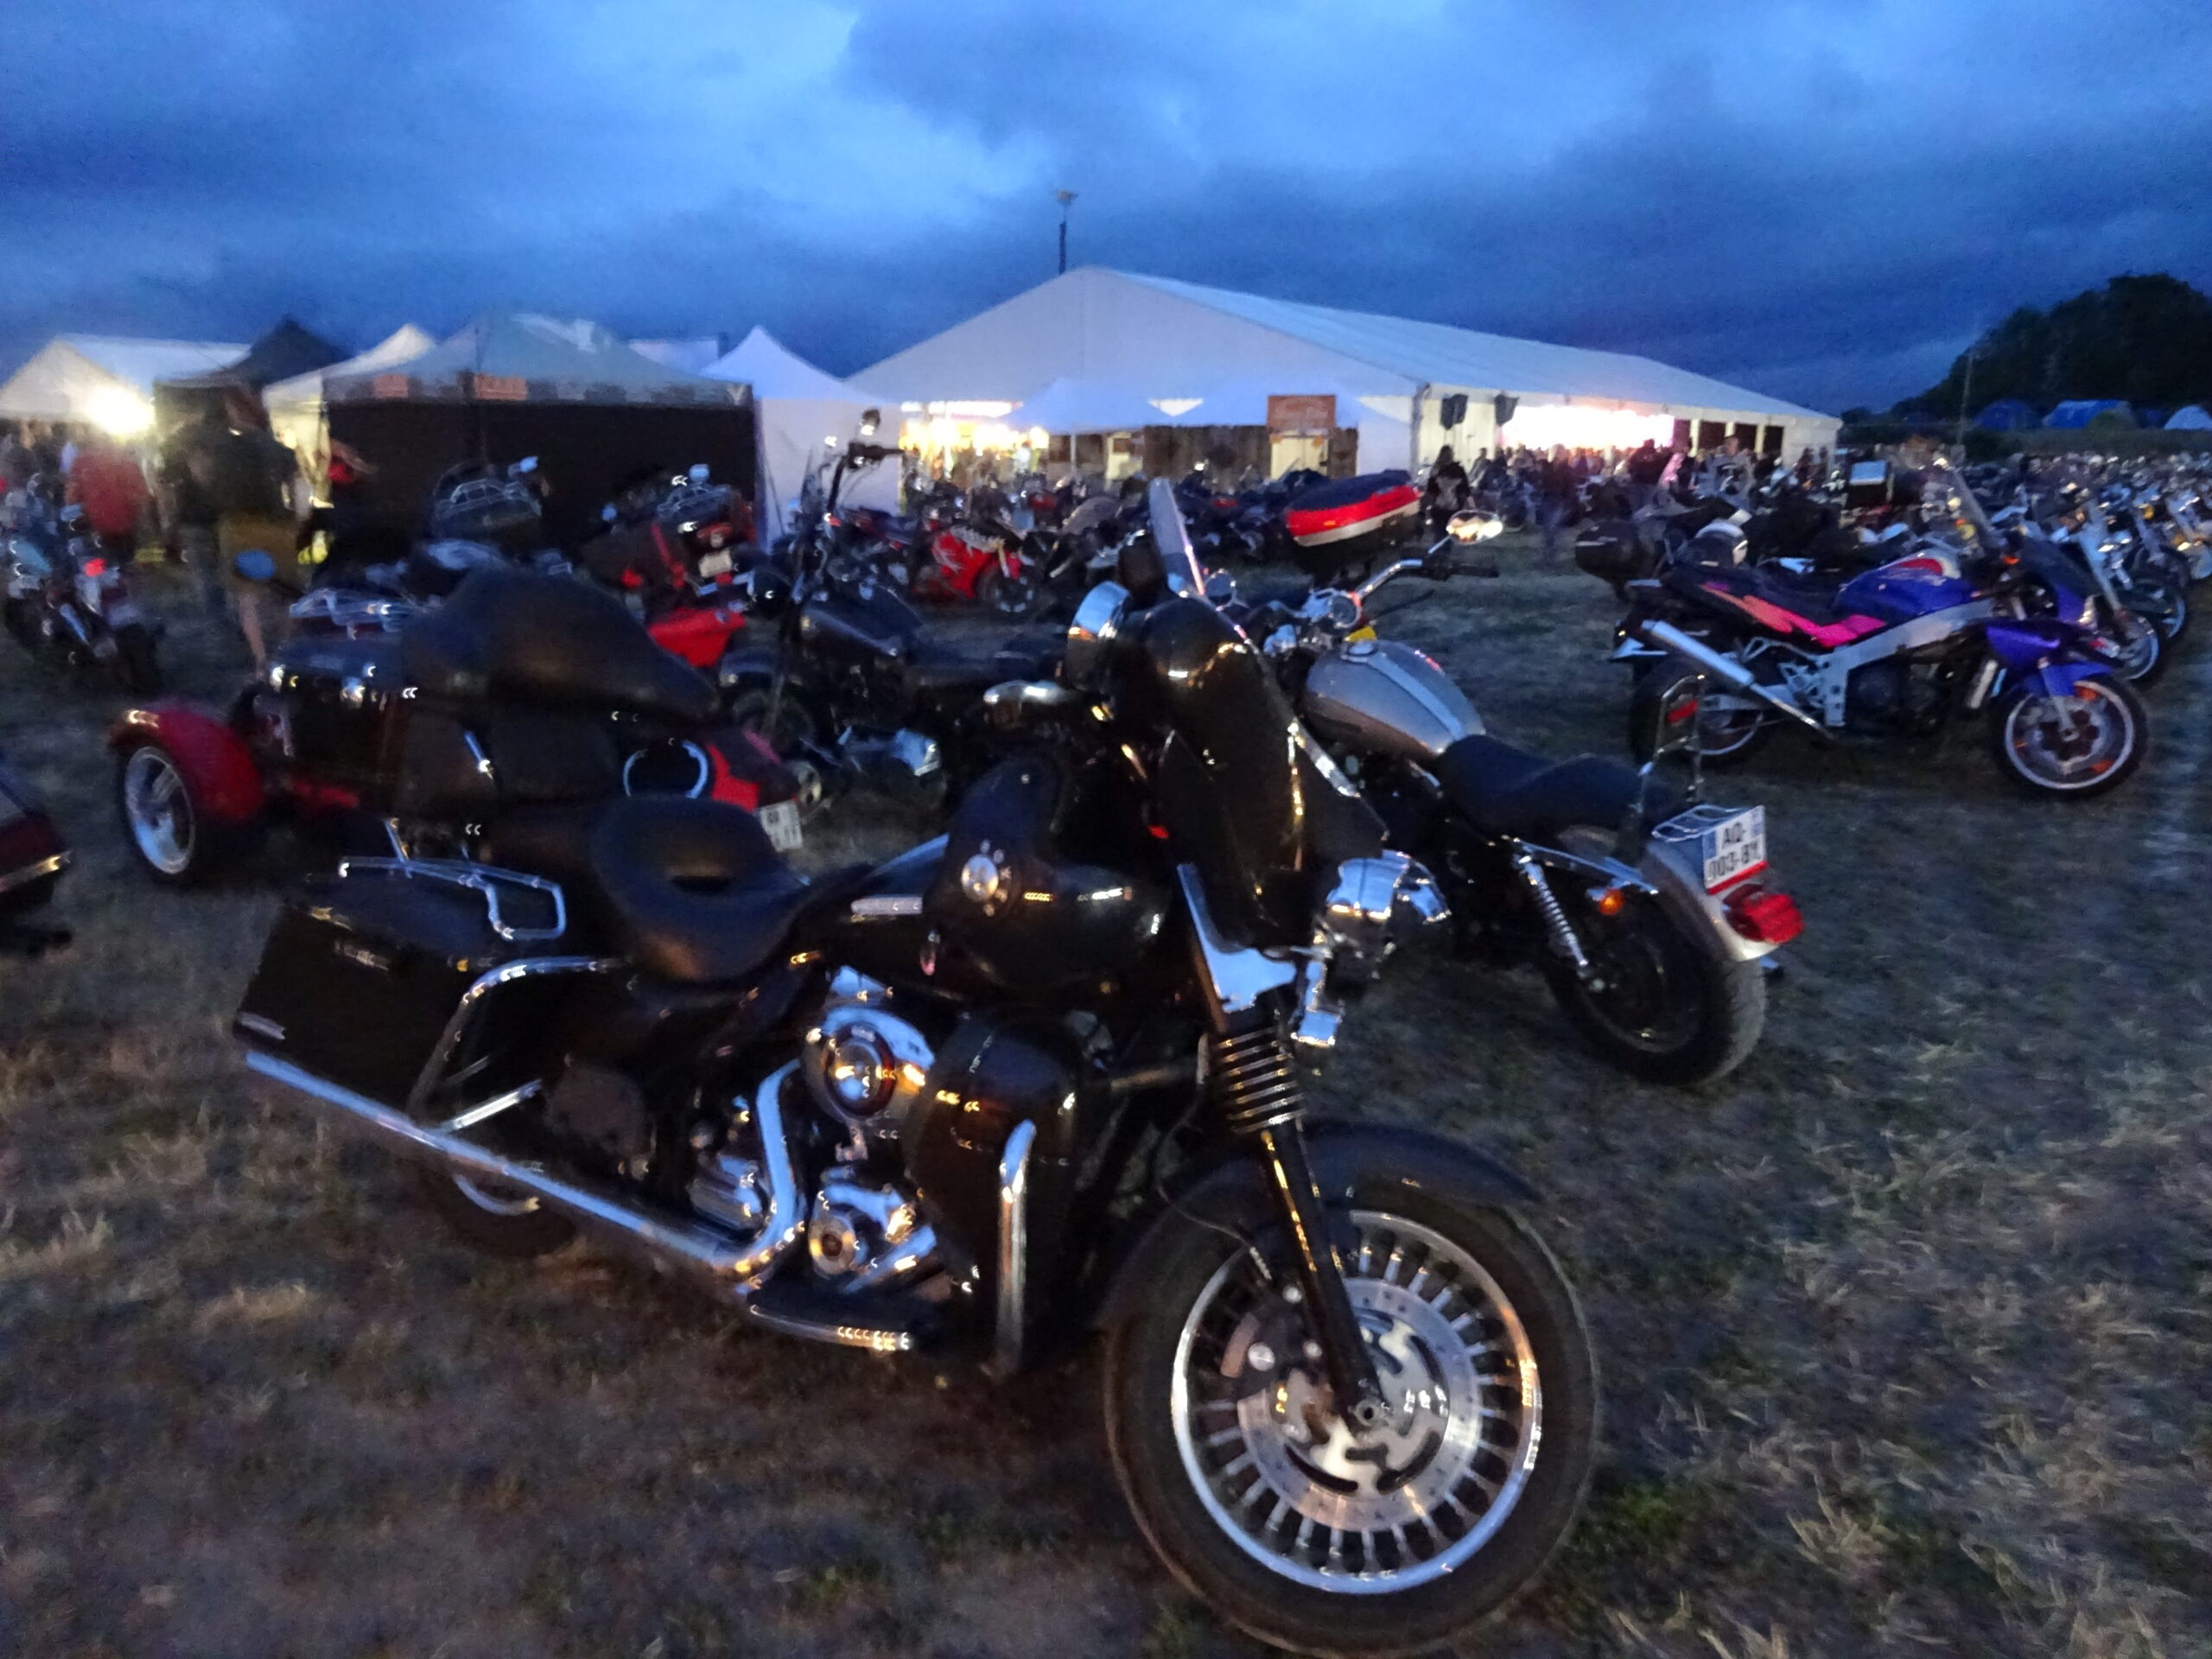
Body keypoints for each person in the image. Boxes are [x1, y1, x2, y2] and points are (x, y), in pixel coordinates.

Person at [194, 390, 302, 669]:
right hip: (279, 526)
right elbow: (297, 489)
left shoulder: (221, 448)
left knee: (248, 599)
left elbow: (203, 478)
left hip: (238, 527)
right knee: (286, 594)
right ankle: (288, 654)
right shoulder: (278, 449)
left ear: (235, 411)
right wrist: (296, 518)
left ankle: (261, 661)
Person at [67, 435, 151, 564]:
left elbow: (73, 495)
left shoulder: (82, 463)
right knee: (137, 555)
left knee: (112, 559)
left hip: (103, 524)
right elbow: (140, 492)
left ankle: (127, 566)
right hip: (126, 522)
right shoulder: (126, 463)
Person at [1423, 444, 1469, 530]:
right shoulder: (1459, 470)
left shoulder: (1436, 470)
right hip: (1454, 507)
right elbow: (1465, 489)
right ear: (1452, 455)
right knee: (1452, 532)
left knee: (1439, 531)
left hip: (1439, 506)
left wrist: (1428, 506)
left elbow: (1430, 490)